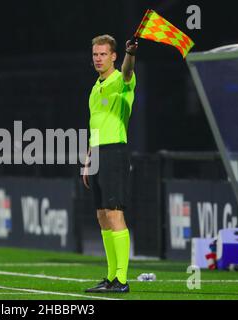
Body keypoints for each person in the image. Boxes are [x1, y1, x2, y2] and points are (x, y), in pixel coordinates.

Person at [83, 34, 138, 293]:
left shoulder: (122, 80)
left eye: (103, 54)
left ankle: (122, 280)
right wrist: (88, 158)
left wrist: (131, 53)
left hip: (115, 151)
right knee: (102, 216)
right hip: (97, 153)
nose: (98, 58)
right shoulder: (96, 87)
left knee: (115, 213)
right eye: (95, 54)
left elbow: (128, 70)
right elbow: (95, 125)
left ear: (113, 56)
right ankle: (110, 277)